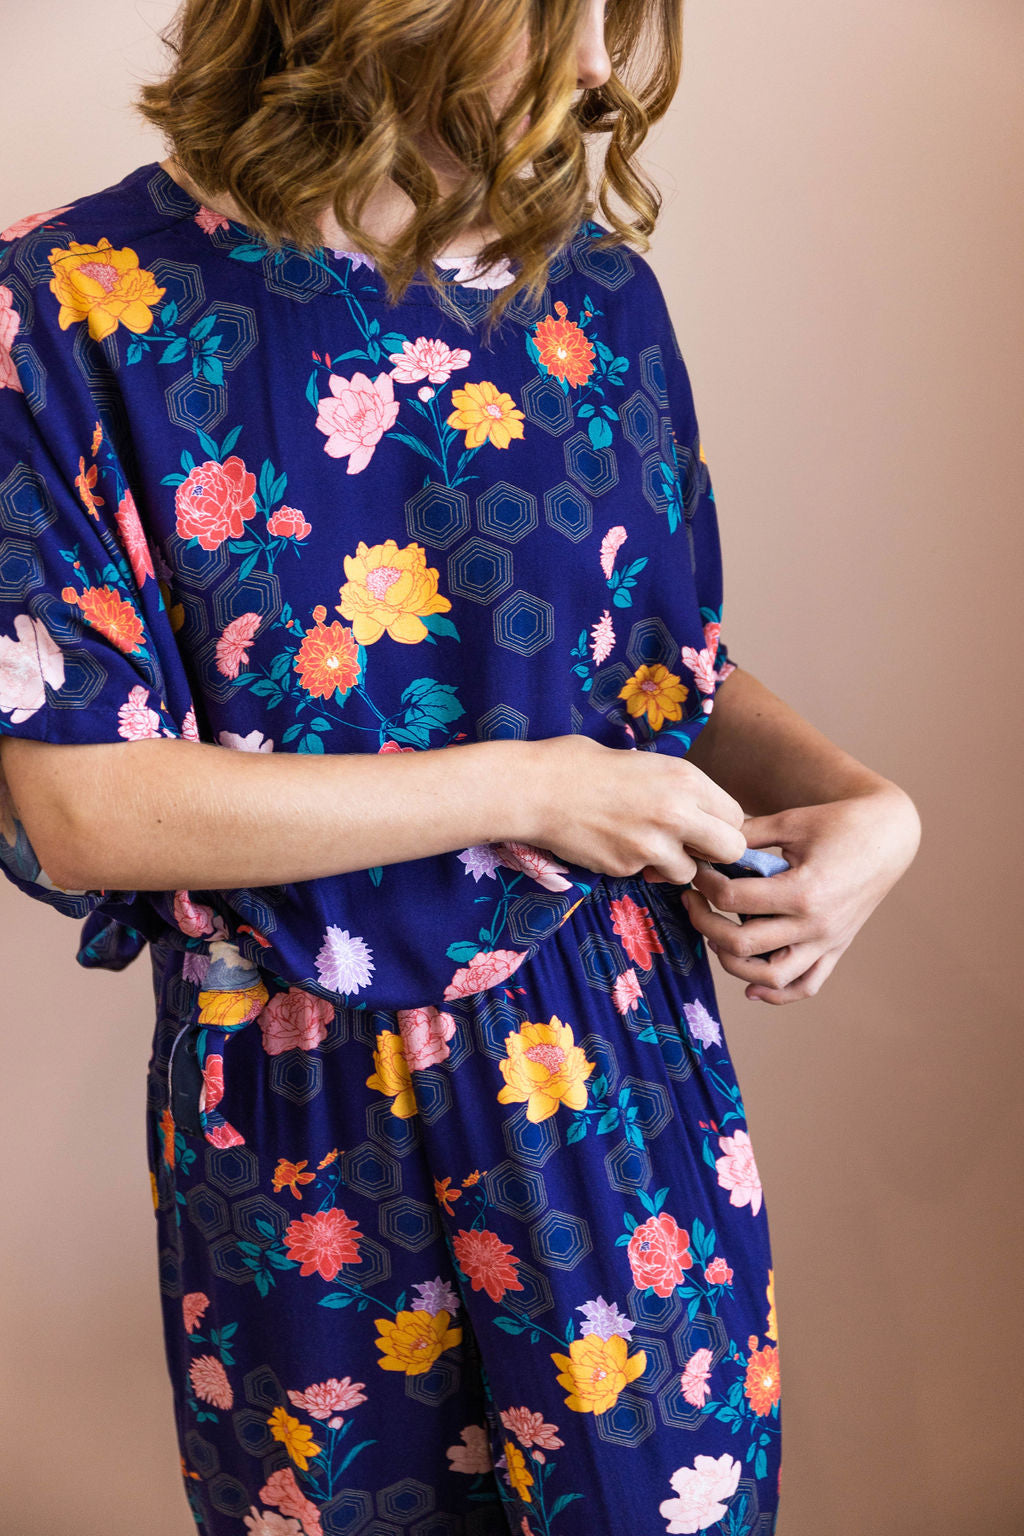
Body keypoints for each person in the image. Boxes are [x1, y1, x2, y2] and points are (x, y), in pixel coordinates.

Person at [0, 1, 921, 1532]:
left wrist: (870, 805)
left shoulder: (601, 303)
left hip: (617, 1070)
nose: (598, 73)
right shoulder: (70, 306)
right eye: (564, 19)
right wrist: (532, 786)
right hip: (291, 1107)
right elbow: (83, 805)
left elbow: (655, 662)